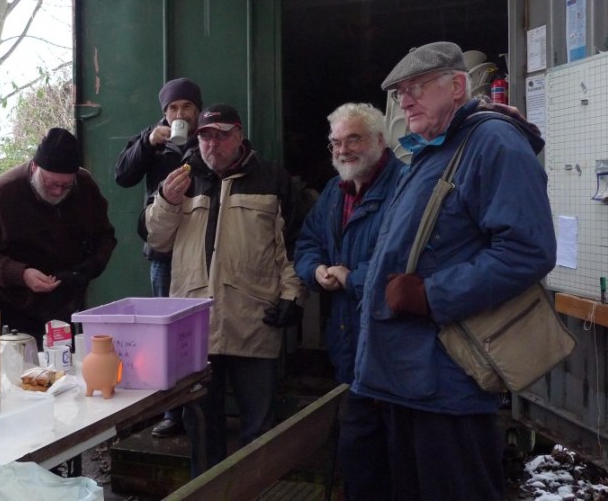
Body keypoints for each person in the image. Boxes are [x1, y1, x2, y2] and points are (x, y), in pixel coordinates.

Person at [339, 42, 556, 500]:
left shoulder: (493, 143)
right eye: (399, 93)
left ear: (458, 86)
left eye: (416, 88)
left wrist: (431, 294)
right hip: (404, 376)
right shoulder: (433, 149)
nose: (405, 102)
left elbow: (527, 251)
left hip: (446, 381)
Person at [141, 104, 305, 476]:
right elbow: (156, 241)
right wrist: (166, 201)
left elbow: (294, 246)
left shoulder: (272, 179)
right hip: (195, 327)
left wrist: (293, 295)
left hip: (254, 321)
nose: (212, 144)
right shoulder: (180, 179)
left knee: (259, 431)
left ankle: (256, 491)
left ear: (239, 135)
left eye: (221, 135)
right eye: (205, 136)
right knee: (202, 431)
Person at [0, 127, 117, 348]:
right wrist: (21, 274)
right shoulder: (1, 194)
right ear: (35, 167)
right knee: (16, 365)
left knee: (62, 362)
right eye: (51, 183)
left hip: (62, 301)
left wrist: (91, 267)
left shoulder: (85, 186)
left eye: (66, 186)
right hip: (10, 302)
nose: (58, 191)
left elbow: (105, 236)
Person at [114, 77, 201, 438]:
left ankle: (199, 406)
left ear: (197, 110)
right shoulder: (152, 139)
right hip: (163, 251)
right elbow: (122, 175)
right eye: (173, 108)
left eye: (187, 107)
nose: (180, 114)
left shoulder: (209, 137)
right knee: (166, 329)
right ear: (165, 113)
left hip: (201, 246)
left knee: (199, 329)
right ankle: (171, 412)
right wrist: (148, 144)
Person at [294, 103, 402, 385]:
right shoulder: (334, 190)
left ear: (380, 140)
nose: (343, 150)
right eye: (336, 142)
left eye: (353, 139)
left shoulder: (406, 186)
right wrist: (316, 269)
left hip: (392, 338)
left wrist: (352, 279)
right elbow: (308, 241)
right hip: (344, 336)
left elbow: (406, 260)